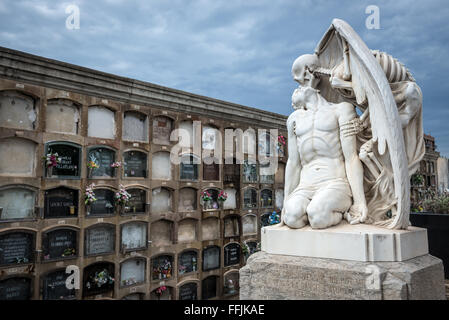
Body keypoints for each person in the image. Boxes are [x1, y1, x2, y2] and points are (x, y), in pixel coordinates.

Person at [281, 54, 368, 229]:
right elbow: (293, 163)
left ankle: (341, 212)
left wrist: (360, 202)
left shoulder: (341, 110)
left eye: (301, 79)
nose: (298, 87)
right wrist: (285, 201)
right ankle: (305, 208)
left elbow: (351, 157)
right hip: (306, 185)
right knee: (291, 217)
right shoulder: (294, 120)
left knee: (318, 216)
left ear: (311, 74)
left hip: (334, 182)